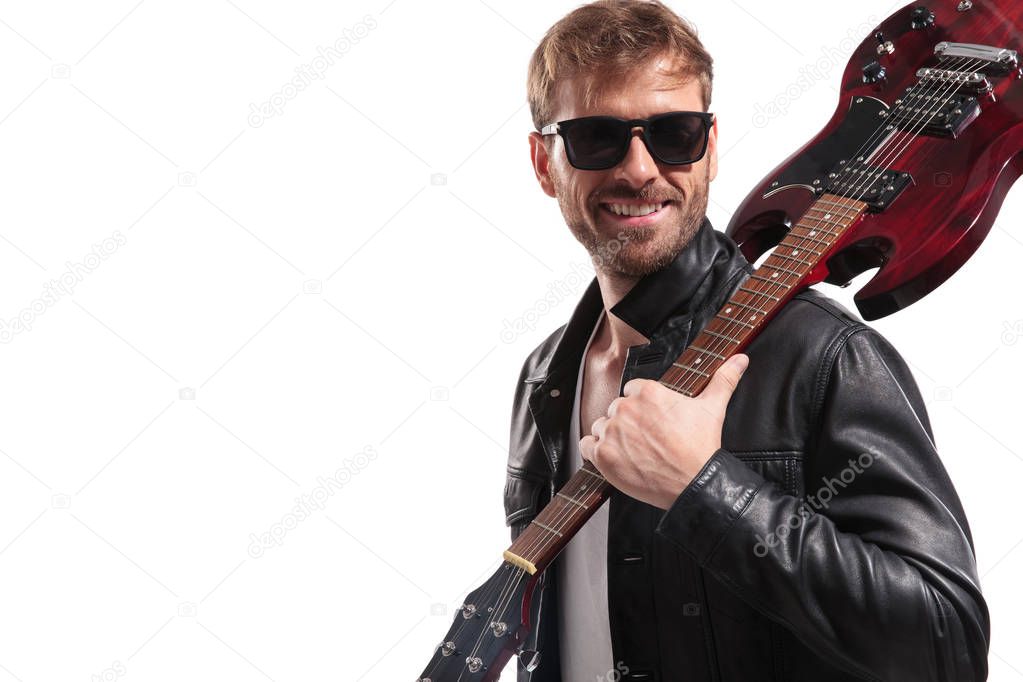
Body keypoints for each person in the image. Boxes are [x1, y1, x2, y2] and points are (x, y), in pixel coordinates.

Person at [504, 1, 991, 680]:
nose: (640, 169)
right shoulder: (545, 374)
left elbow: (945, 643)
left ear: (709, 145)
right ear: (542, 162)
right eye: (596, 138)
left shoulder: (824, 357)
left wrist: (705, 490)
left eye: (674, 133)